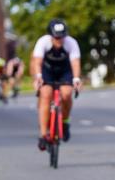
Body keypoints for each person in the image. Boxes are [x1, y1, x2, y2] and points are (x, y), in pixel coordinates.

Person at [31, 19, 82, 149]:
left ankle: (65, 122)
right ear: (51, 36)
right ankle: (43, 135)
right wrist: (38, 77)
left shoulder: (71, 43)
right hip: (47, 71)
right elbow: (37, 62)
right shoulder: (43, 42)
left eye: (62, 37)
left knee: (66, 93)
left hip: (64, 71)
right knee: (46, 94)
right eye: (56, 38)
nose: (59, 40)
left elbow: (75, 62)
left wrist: (76, 79)